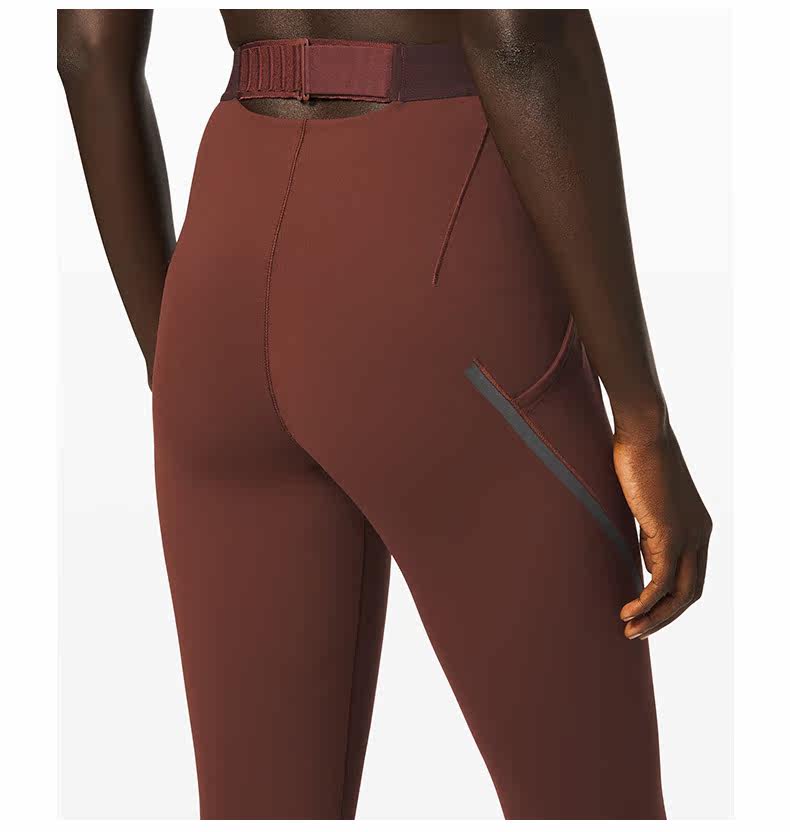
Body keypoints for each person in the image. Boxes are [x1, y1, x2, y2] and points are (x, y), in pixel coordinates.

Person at [58, 9, 712, 821]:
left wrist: (181, 365)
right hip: (435, 230)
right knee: (589, 803)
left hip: (222, 262)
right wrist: (642, 417)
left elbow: (88, 52)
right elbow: (520, 41)